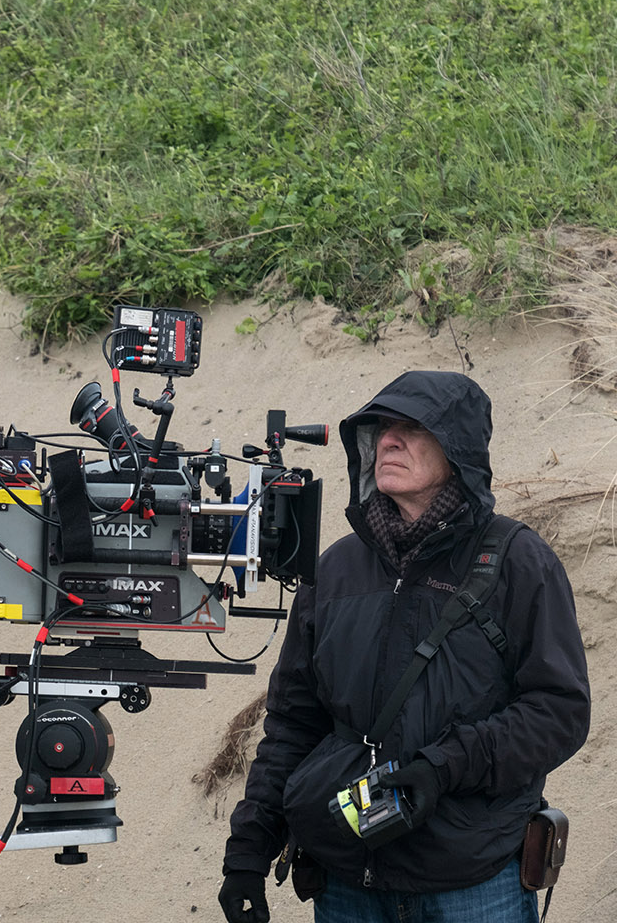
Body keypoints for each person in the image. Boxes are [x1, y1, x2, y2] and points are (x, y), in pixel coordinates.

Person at [218, 370, 590, 923]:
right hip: (346, 882)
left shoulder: (519, 561)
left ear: (459, 451)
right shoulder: (335, 569)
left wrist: (443, 767)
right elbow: (295, 721)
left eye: (413, 428)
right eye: (381, 429)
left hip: (473, 883)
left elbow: (559, 712)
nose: (388, 440)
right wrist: (250, 849)